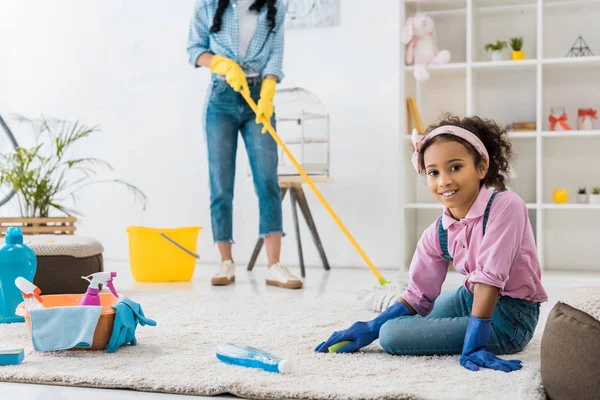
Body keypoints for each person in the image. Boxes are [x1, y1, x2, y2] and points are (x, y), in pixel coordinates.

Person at [315, 115, 548, 372]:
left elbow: (489, 279)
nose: (444, 181)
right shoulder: (438, 232)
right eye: (433, 172)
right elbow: (418, 296)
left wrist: (475, 343)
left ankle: (477, 335)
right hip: (470, 298)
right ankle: (383, 313)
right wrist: (372, 326)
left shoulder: (506, 205)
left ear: (481, 167)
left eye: (456, 167)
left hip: (510, 319)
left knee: (392, 335)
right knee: (412, 317)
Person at [187, 0, 302, 289]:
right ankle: (226, 262)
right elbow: (194, 48)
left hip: (258, 97)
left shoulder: (275, 6)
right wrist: (220, 63)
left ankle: (274, 265)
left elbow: (275, 55)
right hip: (221, 97)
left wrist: (268, 90)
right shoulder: (209, 5)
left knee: (267, 180)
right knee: (221, 182)